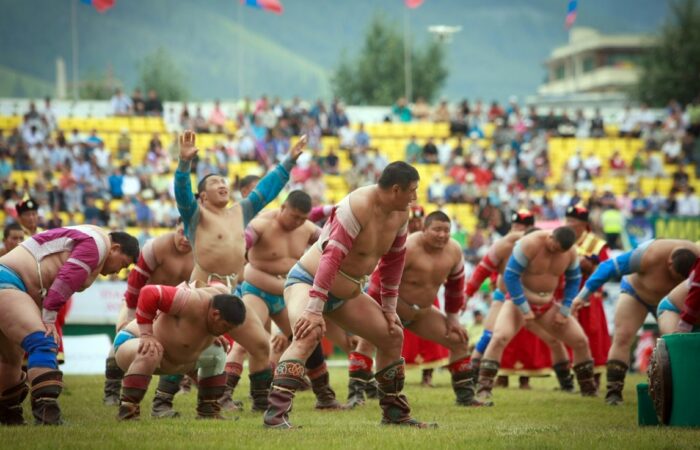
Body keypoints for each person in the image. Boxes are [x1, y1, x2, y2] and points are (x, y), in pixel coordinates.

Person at [263, 161, 435, 429]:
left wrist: (389, 308)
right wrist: (314, 307)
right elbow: (331, 257)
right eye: (412, 190)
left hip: (348, 293)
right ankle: (275, 416)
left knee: (392, 334)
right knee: (307, 333)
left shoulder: (400, 215)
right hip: (307, 282)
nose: (415, 197)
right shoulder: (356, 206)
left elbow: (393, 262)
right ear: (396, 190)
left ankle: (394, 414)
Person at [174, 130, 304, 412]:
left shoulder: (240, 212)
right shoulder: (195, 215)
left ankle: (260, 404)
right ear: (203, 195)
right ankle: (161, 403)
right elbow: (182, 194)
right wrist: (184, 165)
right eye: (215, 183)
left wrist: (289, 161)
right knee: (183, 349)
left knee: (259, 345)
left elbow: (266, 191)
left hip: (232, 294)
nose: (222, 185)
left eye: (223, 181)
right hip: (201, 292)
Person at [0, 227, 138, 425]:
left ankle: (9, 416)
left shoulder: (91, 236)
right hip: (8, 281)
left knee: (10, 359)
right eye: (123, 264)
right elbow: (66, 278)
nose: (118, 271)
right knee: (42, 341)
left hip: (10, 281)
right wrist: (49, 319)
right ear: (115, 248)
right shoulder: (97, 245)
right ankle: (48, 417)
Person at [220, 191, 343, 411]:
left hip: (286, 293)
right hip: (256, 291)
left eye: (302, 218)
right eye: (293, 216)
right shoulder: (260, 225)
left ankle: (324, 396)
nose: (296, 222)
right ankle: (223, 396)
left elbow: (334, 241)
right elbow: (240, 246)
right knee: (245, 340)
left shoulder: (306, 229)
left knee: (309, 334)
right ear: (283, 207)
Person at [347, 211, 469, 408]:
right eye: (436, 229)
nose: (442, 235)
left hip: (422, 313)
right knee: (367, 344)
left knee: (458, 339)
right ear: (424, 229)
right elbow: (380, 280)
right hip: (389, 308)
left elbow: (456, 287)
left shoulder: (454, 250)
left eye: (446, 230)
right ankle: (355, 395)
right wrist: (382, 311)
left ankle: (466, 397)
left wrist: (453, 318)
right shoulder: (408, 247)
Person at [475, 227, 595, 406]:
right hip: (517, 301)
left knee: (580, 341)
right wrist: (524, 308)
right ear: (550, 236)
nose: (555, 251)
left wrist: (565, 309)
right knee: (499, 337)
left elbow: (574, 280)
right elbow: (510, 276)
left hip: (547, 304)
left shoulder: (570, 253)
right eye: (554, 246)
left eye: (560, 250)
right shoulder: (529, 243)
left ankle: (588, 390)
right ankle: (483, 389)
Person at [572, 239, 699, 405]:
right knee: (623, 336)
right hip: (637, 295)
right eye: (674, 276)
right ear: (669, 263)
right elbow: (607, 268)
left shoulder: (697, 257)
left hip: (673, 304)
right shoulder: (647, 254)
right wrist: (582, 297)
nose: (675, 280)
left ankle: (682, 393)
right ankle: (614, 393)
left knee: (678, 344)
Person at [465, 211, 574, 396]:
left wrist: (564, 305)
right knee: (492, 335)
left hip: (537, 302)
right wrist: (467, 294)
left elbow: (559, 278)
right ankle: (474, 379)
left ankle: (566, 384)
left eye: (520, 227)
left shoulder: (543, 246)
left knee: (553, 339)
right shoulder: (504, 244)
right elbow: (483, 270)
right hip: (505, 297)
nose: (516, 229)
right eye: (514, 226)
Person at [102, 221, 196, 418]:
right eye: (182, 232)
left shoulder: (201, 255)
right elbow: (136, 282)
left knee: (179, 348)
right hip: (140, 303)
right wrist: (130, 313)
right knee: (123, 336)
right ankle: (111, 392)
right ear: (176, 227)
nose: (185, 238)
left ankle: (162, 401)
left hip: (173, 310)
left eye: (191, 233)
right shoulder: (156, 247)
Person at [113, 282, 246, 420]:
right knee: (151, 350)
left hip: (172, 360)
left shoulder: (221, 299)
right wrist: (146, 335)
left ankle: (208, 411)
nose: (226, 332)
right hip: (131, 341)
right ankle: (128, 411)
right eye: (225, 327)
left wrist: (216, 335)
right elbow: (149, 292)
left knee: (218, 352)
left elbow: (215, 286)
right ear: (215, 314)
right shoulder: (191, 301)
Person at [563, 205, 611, 387]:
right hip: (568, 296)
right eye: (567, 220)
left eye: (572, 222)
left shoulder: (596, 244)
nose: (568, 225)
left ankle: (595, 377)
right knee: (567, 336)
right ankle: (569, 377)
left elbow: (607, 269)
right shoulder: (564, 240)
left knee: (592, 336)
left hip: (589, 298)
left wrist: (591, 268)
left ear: (583, 224)